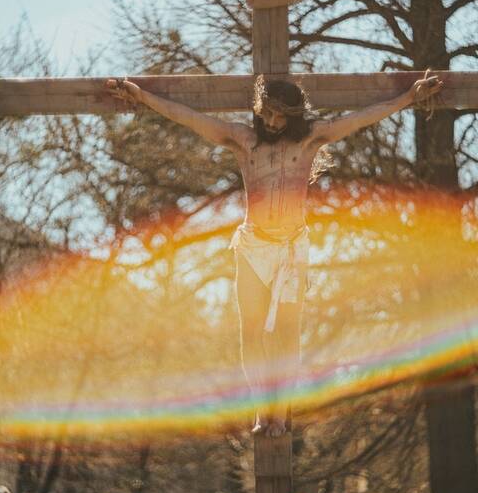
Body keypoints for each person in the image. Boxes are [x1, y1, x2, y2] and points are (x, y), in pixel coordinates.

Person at [107, 70, 444, 436]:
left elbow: (360, 118)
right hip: (253, 245)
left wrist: (410, 97)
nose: (269, 121)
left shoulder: (309, 141)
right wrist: (142, 97)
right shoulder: (244, 141)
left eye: (278, 116)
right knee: (250, 332)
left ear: (292, 118)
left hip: (291, 248)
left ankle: (280, 414)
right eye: (265, 113)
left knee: (287, 333)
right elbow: (189, 118)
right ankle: (260, 410)